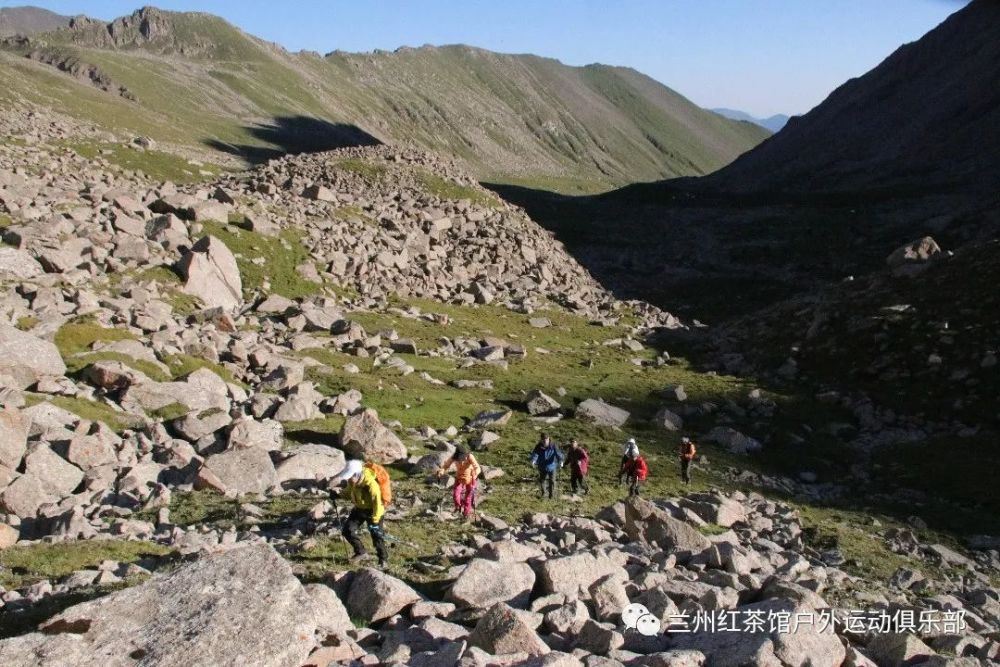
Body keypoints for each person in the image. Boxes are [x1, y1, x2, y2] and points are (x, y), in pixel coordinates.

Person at [331, 459, 389, 567]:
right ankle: (361, 552)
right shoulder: (352, 482)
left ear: (357, 474)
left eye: (350, 477)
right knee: (347, 530)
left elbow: (378, 504)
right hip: (359, 509)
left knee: (376, 536)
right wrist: (338, 495)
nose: (348, 480)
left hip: (374, 512)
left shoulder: (371, 484)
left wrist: (375, 520)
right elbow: (348, 493)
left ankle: (383, 560)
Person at [437, 445, 482, 517]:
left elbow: (477, 467)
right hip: (459, 478)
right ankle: (458, 508)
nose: (460, 460)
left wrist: (475, 473)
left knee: (468, 497)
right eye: (459, 459)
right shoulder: (454, 457)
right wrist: (441, 471)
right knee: (456, 494)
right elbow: (446, 466)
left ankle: (466, 513)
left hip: (470, 478)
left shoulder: (470, 456)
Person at [529, 434, 565, 499]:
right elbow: (535, 454)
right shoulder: (538, 446)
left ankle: (552, 495)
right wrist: (533, 460)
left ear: (548, 439)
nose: (545, 441)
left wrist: (561, 461)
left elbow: (558, 454)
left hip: (552, 466)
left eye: (546, 439)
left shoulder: (553, 445)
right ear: (541, 440)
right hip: (542, 466)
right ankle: (544, 494)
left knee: (552, 481)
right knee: (542, 480)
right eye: (543, 440)